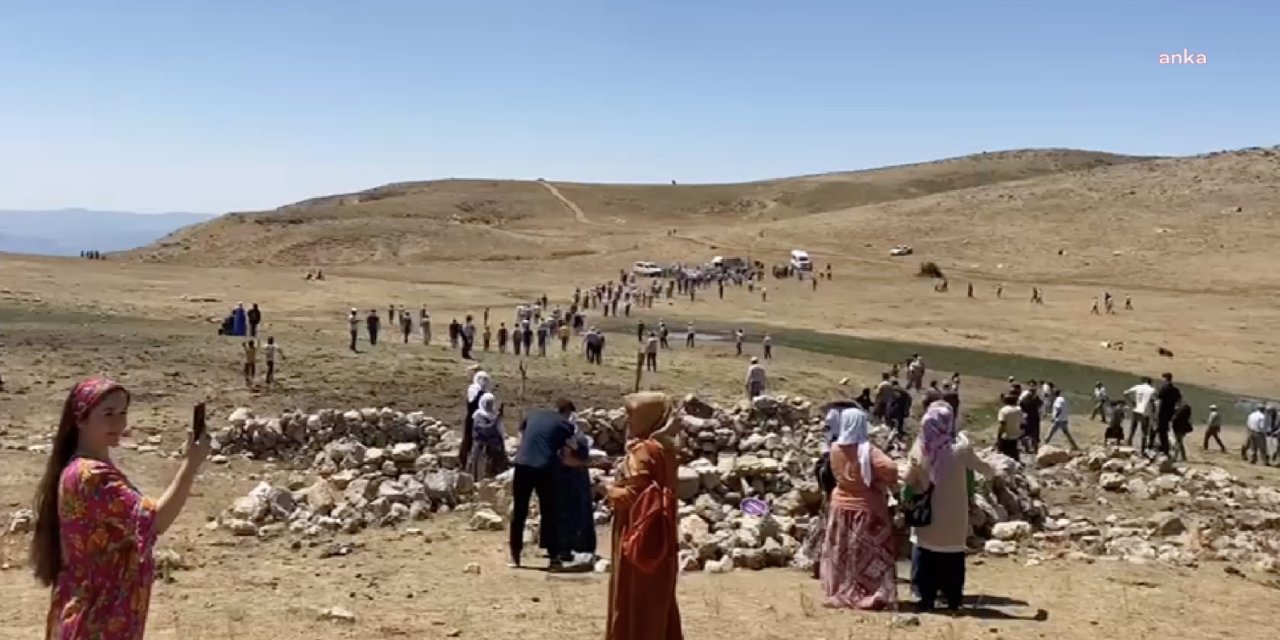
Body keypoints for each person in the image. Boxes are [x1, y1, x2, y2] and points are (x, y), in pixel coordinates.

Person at [31, 376, 211, 639]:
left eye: (123, 413)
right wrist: (191, 464)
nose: (119, 423)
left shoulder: (82, 468)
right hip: (98, 621)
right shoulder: (90, 476)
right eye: (108, 414)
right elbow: (156, 520)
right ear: (81, 419)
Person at [605, 392, 683, 640]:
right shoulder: (666, 450)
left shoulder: (641, 452)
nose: (627, 420)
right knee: (658, 599)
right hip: (662, 535)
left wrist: (606, 489)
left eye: (632, 415)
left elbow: (630, 496)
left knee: (633, 597)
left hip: (636, 533)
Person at [903, 398, 993, 613]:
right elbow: (985, 469)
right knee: (952, 559)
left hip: (927, 514)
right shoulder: (960, 449)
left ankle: (925, 600)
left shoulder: (920, 447)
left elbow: (908, 478)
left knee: (925, 555)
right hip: (954, 516)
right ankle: (953, 601)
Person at [821, 405, 899, 610]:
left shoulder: (835, 448)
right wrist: (878, 481)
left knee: (842, 552)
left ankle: (841, 590)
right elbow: (891, 470)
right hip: (866, 508)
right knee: (869, 554)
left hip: (840, 506)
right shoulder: (869, 451)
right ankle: (870, 593)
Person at [510, 400, 586, 569]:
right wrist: (582, 463)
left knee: (519, 510)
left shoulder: (533, 416)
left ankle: (515, 555)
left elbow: (521, 438)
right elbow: (567, 454)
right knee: (550, 512)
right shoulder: (565, 425)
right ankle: (554, 557)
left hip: (522, 464)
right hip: (545, 467)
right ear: (566, 412)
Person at [468, 392, 509, 480]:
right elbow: (486, 430)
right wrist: (496, 420)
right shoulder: (478, 416)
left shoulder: (493, 415)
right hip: (481, 450)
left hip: (495, 451)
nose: (489, 405)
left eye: (491, 403)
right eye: (488, 403)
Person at [461, 371, 492, 465]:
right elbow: (472, 404)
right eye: (481, 379)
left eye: (485, 379)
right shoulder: (473, 389)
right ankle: (464, 460)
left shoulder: (486, 392)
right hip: (472, 418)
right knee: (469, 439)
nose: (483, 381)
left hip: (482, 419)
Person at [1125, 377, 1156, 452]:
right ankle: (1142, 449)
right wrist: (1153, 411)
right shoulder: (1152, 390)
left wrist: (1132, 402)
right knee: (1144, 431)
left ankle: (1128, 443)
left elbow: (1125, 393)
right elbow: (1154, 401)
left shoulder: (1137, 387)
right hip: (1145, 412)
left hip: (1136, 410)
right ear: (1150, 382)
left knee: (1133, 429)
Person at [1154, 373, 1182, 456]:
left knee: (1162, 432)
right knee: (1167, 431)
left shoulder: (1164, 388)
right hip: (1171, 413)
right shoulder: (1175, 389)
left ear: (1166, 379)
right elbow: (1179, 400)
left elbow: (1158, 399)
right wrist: (1176, 409)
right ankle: (1169, 448)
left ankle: (1165, 449)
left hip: (1163, 413)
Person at [995, 394, 1023, 459]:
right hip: (1016, 435)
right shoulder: (1019, 410)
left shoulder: (1003, 410)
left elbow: (1002, 424)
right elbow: (1022, 423)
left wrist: (999, 436)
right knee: (1013, 452)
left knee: (1004, 455)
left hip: (1006, 436)